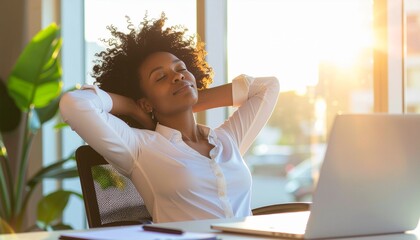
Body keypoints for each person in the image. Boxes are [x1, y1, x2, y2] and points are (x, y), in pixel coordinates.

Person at [59, 13, 279, 223]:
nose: (178, 76)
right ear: (145, 101)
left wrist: (187, 96)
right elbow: (74, 104)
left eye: (181, 69)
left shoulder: (227, 140)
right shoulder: (139, 149)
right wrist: (133, 106)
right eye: (161, 77)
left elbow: (268, 87)